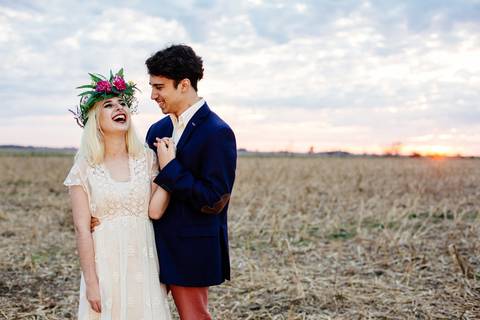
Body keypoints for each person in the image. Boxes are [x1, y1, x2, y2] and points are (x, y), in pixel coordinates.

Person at [64, 69, 172, 319]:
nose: (119, 108)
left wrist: (169, 170)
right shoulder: (83, 168)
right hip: (106, 265)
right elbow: (82, 230)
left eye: (122, 103)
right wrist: (91, 283)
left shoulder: (146, 159)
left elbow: (156, 210)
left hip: (144, 263)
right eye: (108, 105)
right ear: (94, 119)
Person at [145, 44, 237, 319]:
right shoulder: (157, 129)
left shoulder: (217, 133)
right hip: (149, 246)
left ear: (184, 84)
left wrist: (171, 168)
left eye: (159, 87)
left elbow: (213, 200)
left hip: (190, 249)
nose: (153, 95)